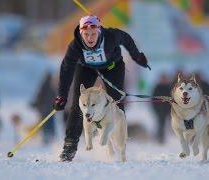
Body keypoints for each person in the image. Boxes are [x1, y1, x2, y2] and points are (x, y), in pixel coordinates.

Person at [53, 15, 150, 162]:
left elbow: (127, 39)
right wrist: (61, 95)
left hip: (113, 67)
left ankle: (119, 141)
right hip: (87, 68)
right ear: (81, 33)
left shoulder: (111, 36)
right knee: (78, 105)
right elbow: (66, 70)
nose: (90, 38)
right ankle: (70, 146)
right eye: (86, 34)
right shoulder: (75, 46)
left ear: (99, 31)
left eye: (93, 34)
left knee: (117, 104)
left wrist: (137, 56)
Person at [31, 71, 57, 145]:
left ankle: (48, 137)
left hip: (45, 109)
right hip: (51, 109)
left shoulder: (43, 86)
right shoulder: (52, 86)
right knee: (50, 122)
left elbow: (39, 96)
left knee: (45, 123)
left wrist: (36, 104)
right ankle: (50, 136)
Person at [152, 74, 171, 144]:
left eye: (164, 78)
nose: (163, 80)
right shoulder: (157, 87)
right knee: (160, 123)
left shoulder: (169, 87)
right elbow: (153, 99)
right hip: (159, 109)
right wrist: (155, 108)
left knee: (164, 123)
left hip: (166, 109)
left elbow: (171, 98)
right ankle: (159, 137)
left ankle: (162, 137)